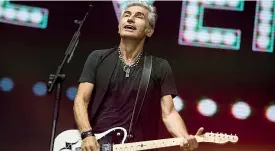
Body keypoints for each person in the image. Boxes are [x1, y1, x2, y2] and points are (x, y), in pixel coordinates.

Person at [73, 1, 204, 151]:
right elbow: (81, 100)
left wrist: (185, 137)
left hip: (135, 145)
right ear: (119, 25)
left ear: (149, 30)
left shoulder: (159, 67)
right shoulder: (97, 57)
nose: (130, 19)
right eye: (126, 15)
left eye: (139, 16)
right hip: (94, 144)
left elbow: (169, 113)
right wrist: (87, 134)